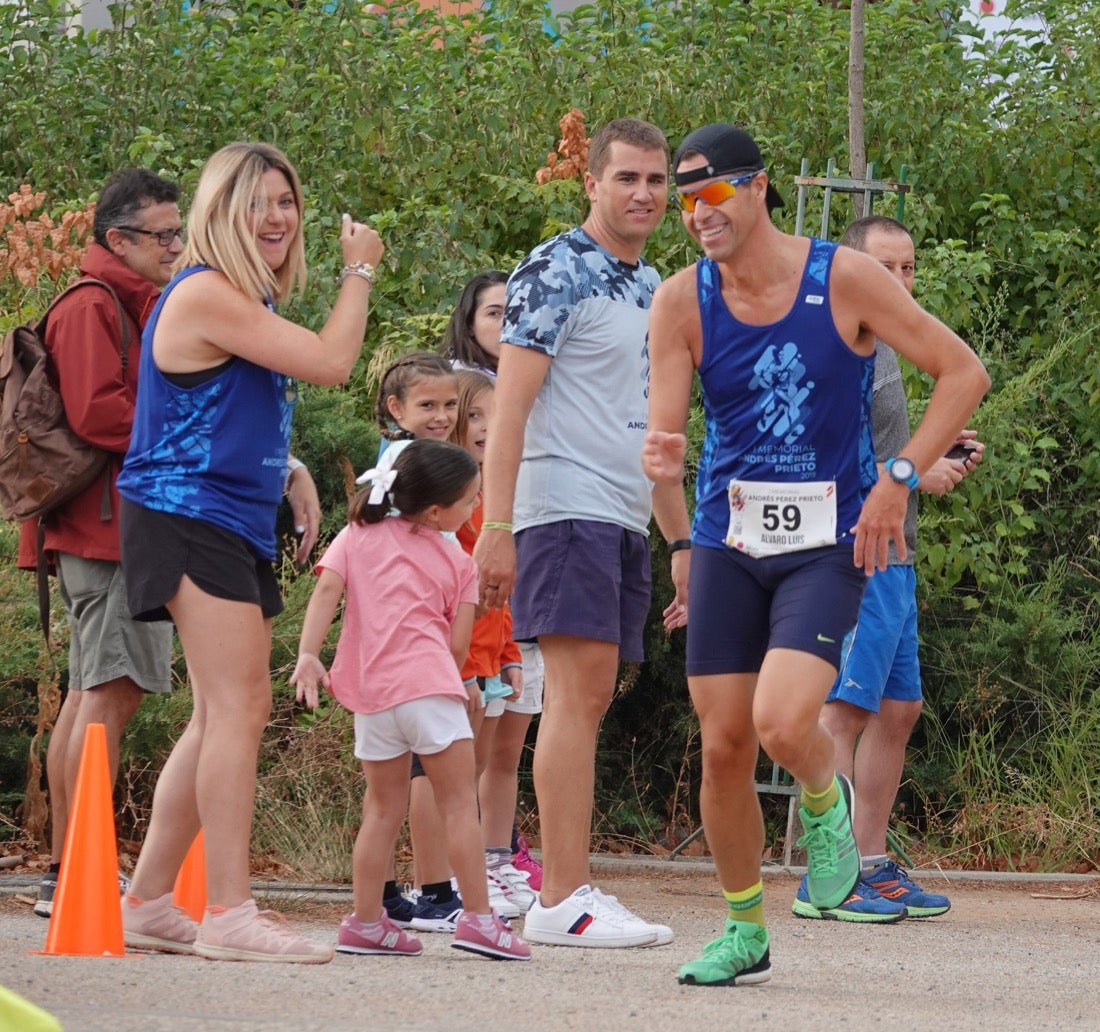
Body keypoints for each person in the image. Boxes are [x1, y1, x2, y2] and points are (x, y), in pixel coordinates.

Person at [642, 123, 990, 985]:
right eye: (685, 202)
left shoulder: (844, 277)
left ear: (758, 187)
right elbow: (665, 436)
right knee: (725, 747)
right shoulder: (682, 301)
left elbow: (963, 372)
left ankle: (827, 802)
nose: (697, 214)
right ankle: (743, 931)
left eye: (711, 194)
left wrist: (898, 478)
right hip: (729, 539)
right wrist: (665, 475)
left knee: (781, 720)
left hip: (829, 543)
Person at [114, 141, 382, 963]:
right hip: (186, 512)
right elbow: (334, 362)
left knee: (219, 713)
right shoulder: (206, 291)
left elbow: (212, 409)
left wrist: (288, 468)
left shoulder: (236, 298)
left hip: (221, 513)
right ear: (219, 212)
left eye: (286, 201)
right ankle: (228, 912)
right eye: (257, 202)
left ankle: (148, 901)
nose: (277, 217)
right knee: (238, 709)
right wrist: (360, 271)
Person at [474, 117, 680, 948]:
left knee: (588, 697)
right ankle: (563, 898)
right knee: (574, 695)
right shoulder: (556, 267)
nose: (643, 193)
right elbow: (508, 408)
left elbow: (656, 428)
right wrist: (497, 524)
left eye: (657, 180)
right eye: (626, 177)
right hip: (563, 504)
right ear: (591, 182)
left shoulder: (653, 282)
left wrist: (682, 543)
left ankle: (566, 890)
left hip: (623, 511)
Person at [791, 215, 983, 922]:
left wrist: (931, 452)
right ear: (850, 269)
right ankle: (827, 876)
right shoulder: (836, 344)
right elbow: (812, 456)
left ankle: (870, 863)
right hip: (854, 552)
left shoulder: (891, 343)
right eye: (885, 267)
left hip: (897, 555)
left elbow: (879, 445)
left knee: (899, 710)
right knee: (843, 712)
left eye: (909, 268)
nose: (900, 281)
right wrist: (912, 473)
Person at [291, 439, 531, 961]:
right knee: (459, 806)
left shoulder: (356, 534)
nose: (476, 506)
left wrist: (310, 654)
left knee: (381, 810)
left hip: (373, 696)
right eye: (470, 499)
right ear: (437, 512)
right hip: (429, 689)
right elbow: (458, 647)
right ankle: (480, 920)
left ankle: (365, 923)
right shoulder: (457, 560)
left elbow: (326, 591)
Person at [440, 270, 546, 889]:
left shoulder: (541, 383)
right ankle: (452, 872)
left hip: (515, 616)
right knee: (458, 757)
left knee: (504, 747)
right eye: (494, 312)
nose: (507, 324)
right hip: (465, 637)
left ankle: (496, 858)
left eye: (517, 311)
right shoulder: (449, 483)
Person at [366, 351, 470, 932]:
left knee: (393, 780)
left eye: (450, 404)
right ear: (396, 408)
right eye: (427, 404)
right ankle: (423, 891)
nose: (441, 415)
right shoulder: (405, 463)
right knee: (411, 773)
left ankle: (386, 894)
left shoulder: (414, 458)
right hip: (409, 636)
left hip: (402, 633)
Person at [447, 370, 535, 916]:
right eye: (474, 415)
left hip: (490, 661)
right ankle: (448, 879)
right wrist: (461, 666)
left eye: (493, 417)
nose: (484, 427)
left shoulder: (496, 498)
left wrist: (509, 656)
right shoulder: (448, 502)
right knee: (453, 775)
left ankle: (479, 867)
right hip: (457, 661)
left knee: (480, 767)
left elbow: (500, 598)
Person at [440, 270, 508, 375]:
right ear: (469, 325)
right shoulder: (455, 378)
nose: (509, 323)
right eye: (494, 313)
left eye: (515, 312)